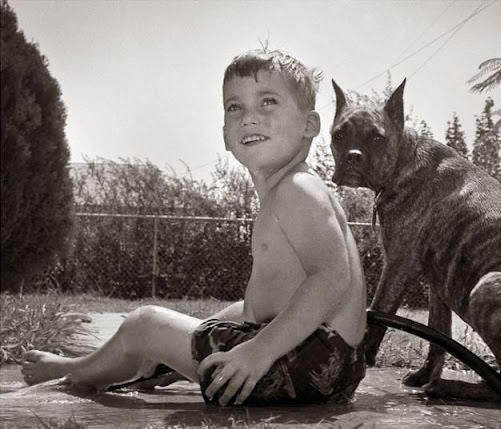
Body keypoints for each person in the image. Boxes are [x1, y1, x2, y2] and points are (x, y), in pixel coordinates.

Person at [22, 49, 367, 406]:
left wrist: (258, 352)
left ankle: (77, 373)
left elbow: (330, 278)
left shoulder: (297, 190)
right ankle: (157, 363)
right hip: (331, 365)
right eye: (235, 107)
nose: (249, 117)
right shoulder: (297, 187)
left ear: (309, 126)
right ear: (225, 136)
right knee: (240, 309)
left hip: (298, 362)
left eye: (268, 102)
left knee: (145, 324)